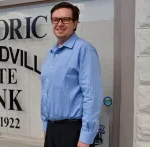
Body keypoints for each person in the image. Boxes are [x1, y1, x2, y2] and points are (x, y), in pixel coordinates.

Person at [41, 2, 103, 147]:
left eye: (65, 20)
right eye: (55, 20)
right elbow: (46, 93)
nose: (59, 24)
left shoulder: (84, 50)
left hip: (73, 132)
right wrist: (46, 127)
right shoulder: (52, 53)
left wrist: (85, 138)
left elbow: (92, 95)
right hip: (52, 129)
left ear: (75, 23)